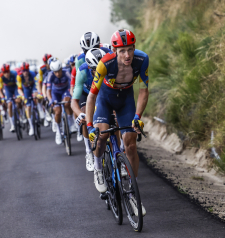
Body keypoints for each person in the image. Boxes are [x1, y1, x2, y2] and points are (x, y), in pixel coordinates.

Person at [85, 29, 149, 216]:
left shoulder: (142, 59)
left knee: (130, 144)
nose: (127, 55)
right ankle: (98, 167)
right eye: (122, 51)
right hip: (105, 100)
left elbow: (144, 91)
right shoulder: (105, 64)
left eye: (129, 49)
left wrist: (137, 116)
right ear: (114, 50)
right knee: (101, 136)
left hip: (125, 100)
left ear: (134, 48)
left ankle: (132, 193)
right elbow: (91, 97)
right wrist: (90, 127)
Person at [72, 47, 112, 172]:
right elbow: (74, 101)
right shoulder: (82, 71)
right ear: (89, 68)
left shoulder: (109, 66)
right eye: (94, 69)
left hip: (101, 92)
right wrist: (79, 114)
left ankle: (118, 151)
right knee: (85, 115)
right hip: (86, 93)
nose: (98, 71)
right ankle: (89, 151)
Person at [46, 57, 76, 145]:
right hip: (55, 93)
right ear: (52, 71)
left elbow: (72, 85)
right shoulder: (50, 75)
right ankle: (58, 132)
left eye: (59, 71)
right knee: (58, 111)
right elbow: (48, 91)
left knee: (67, 103)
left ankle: (71, 123)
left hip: (65, 91)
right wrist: (51, 100)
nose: (58, 73)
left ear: (61, 68)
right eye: (55, 72)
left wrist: (72, 96)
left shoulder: (66, 72)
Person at [0, 64, 21, 132]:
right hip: (8, 89)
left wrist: (19, 95)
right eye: (4, 72)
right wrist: (2, 97)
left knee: (18, 101)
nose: (6, 73)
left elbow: (19, 85)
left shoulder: (14, 73)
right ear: (2, 72)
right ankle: (12, 125)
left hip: (15, 87)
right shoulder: (0, 77)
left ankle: (21, 115)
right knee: (9, 104)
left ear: (9, 71)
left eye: (7, 71)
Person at [17, 62, 38, 136]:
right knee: (28, 107)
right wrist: (22, 95)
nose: (25, 72)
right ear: (21, 71)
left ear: (28, 70)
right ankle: (31, 126)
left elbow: (37, 83)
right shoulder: (19, 76)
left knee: (37, 97)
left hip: (33, 87)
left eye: (26, 70)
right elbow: (19, 88)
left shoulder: (32, 74)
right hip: (26, 89)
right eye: (23, 71)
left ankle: (40, 113)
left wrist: (37, 92)